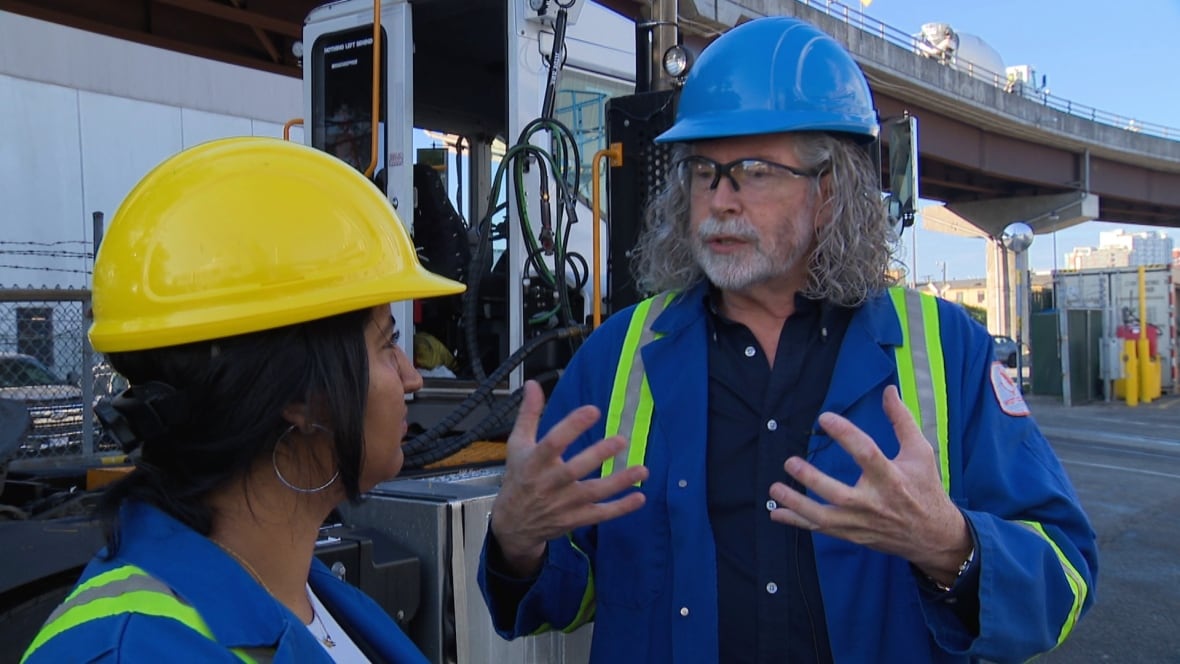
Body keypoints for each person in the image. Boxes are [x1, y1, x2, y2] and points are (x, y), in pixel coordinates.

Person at [477, 15, 1097, 664]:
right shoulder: (616, 356)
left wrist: (949, 544)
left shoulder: (949, 351)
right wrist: (520, 543)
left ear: (829, 192)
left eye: (753, 171)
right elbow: (568, 596)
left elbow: (1065, 575)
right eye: (701, 171)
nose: (719, 200)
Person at [21, 137, 464, 663]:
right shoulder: (133, 652)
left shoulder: (300, 590)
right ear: (299, 392)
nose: (413, 378)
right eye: (388, 343)